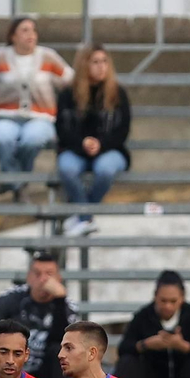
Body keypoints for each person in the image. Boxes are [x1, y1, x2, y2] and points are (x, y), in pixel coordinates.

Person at [0, 17, 73, 196]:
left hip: (41, 117)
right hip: (6, 116)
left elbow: (71, 82)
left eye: (33, 30)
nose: (31, 35)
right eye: (25, 30)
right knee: (1, 138)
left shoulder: (48, 57)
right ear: (13, 36)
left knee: (33, 140)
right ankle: (18, 184)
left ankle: (10, 181)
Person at [0, 252, 74, 378]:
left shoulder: (66, 305)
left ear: (58, 278)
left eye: (49, 274)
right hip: (15, 370)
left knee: (61, 351)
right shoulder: (14, 298)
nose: (43, 279)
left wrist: (59, 300)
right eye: (37, 274)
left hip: (48, 376)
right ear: (29, 277)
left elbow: (61, 342)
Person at [55, 43, 130, 237]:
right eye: (95, 62)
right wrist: (82, 143)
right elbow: (62, 128)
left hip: (111, 150)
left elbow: (122, 130)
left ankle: (82, 217)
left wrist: (101, 144)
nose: (101, 66)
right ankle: (86, 219)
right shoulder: (67, 94)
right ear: (84, 65)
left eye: (105, 61)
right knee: (67, 168)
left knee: (105, 170)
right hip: (75, 149)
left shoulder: (118, 93)